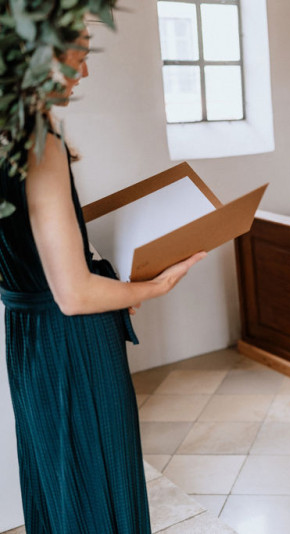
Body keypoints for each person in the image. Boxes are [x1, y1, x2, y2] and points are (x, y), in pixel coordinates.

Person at [0, 29, 205, 533]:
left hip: (27, 334)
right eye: (81, 53)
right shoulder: (37, 138)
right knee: (96, 478)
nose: (85, 70)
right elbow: (74, 295)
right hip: (71, 343)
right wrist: (154, 286)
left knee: (59, 476)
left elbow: (27, 248)